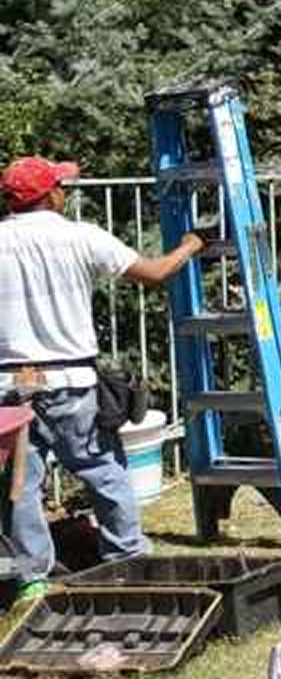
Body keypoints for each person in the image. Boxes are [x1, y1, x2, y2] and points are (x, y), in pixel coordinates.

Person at [0, 156, 205, 602]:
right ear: (49, 195)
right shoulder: (79, 236)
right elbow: (153, 274)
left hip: (10, 388)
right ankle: (126, 557)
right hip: (70, 379)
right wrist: (188, 247)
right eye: (62, 186)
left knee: (19, 485)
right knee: (101, 470)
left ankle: (31, 579)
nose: (66, 192)